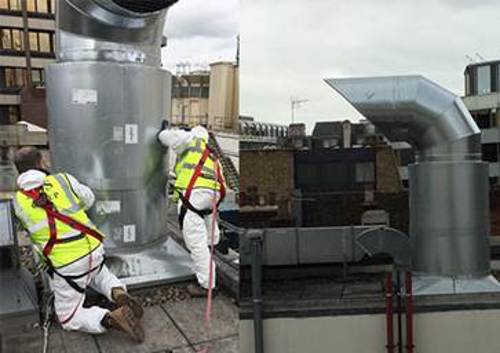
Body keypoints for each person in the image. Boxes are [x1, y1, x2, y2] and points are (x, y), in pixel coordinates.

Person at [12, 147, 144, 342]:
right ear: (41, 163)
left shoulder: (18, 202)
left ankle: (110, 318)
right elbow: (88, 199)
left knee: (67, 317)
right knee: (98, 274)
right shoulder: (63, 179)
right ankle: (118, 292)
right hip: (93, 248)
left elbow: (27, 230)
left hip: (68, 263)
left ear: (18, 171)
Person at [158, 125, 226, 297]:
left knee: (195, 242)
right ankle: (212, 258)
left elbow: (164, 137)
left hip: (196, 195)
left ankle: (207, 285)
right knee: (209, 231)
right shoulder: (210, 153)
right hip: (212, 194)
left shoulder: (190, 138)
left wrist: (168, 130)